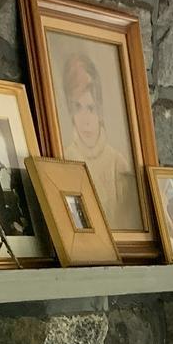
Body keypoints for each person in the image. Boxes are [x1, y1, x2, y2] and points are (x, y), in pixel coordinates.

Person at [58, 48, 137, 230]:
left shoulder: (117, 163)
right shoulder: (64, 161)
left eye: (91, 108)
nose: (85, 120)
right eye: (78, 108)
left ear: (99, 110)